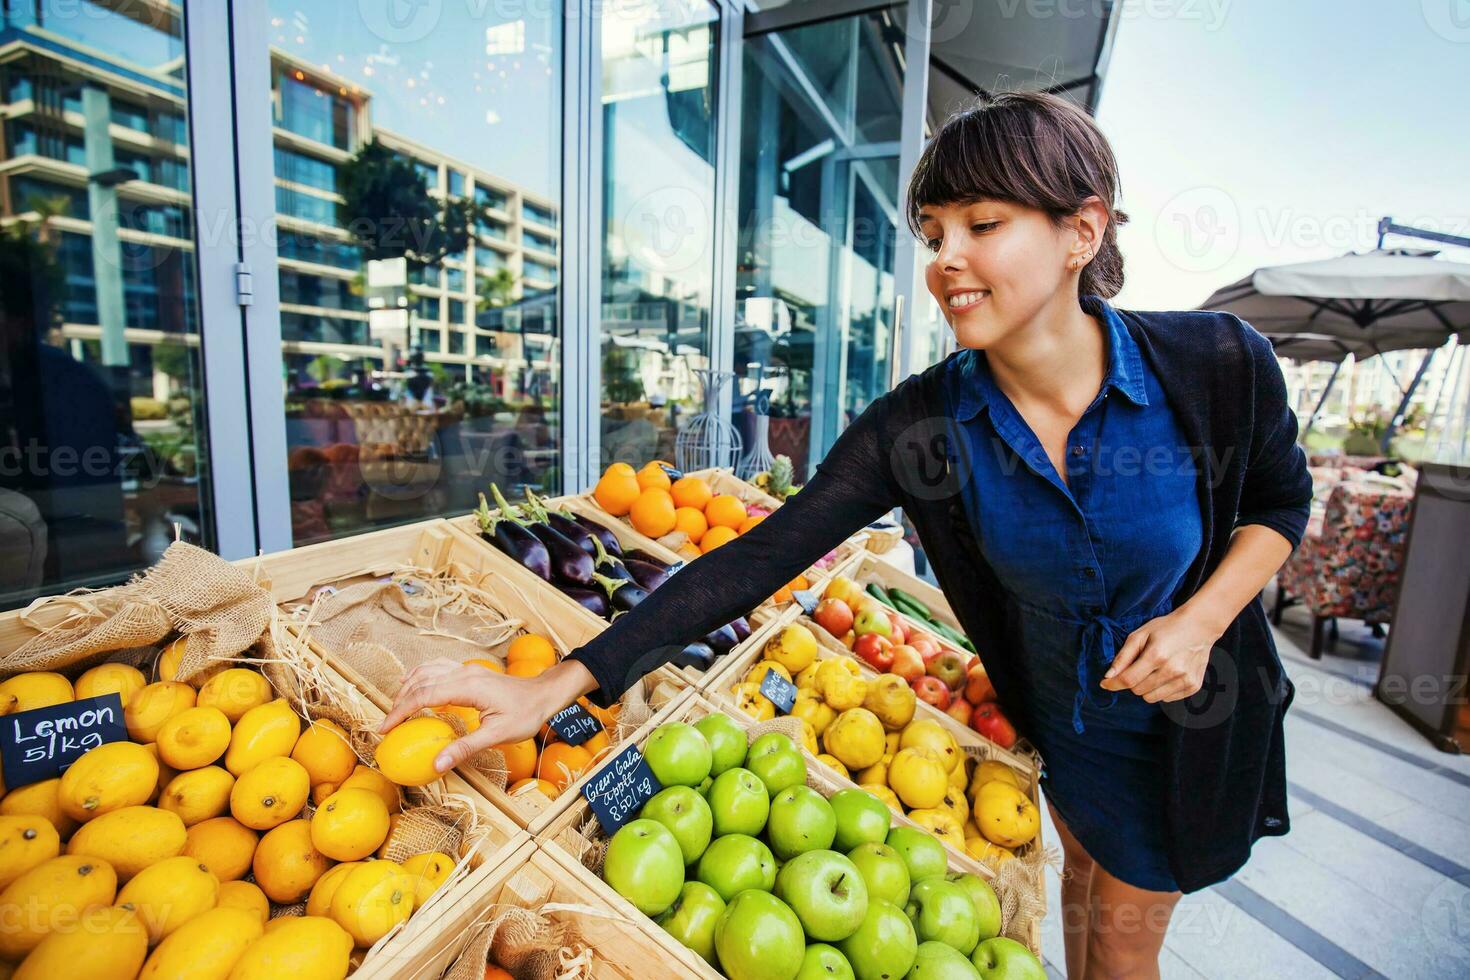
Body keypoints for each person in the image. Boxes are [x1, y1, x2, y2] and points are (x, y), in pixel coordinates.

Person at [379, 92, 1311, 979]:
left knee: (1122, 949)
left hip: (1194, 722)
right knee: (1084, 885)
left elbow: (1278, 501)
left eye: (983, 226)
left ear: (1083, 230)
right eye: (934, 232)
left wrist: (1200, 622)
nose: (946, 258)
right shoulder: (925, 426)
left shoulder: (1216, 363)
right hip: (1062, 728)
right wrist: (557, 681)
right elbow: (756, 558)